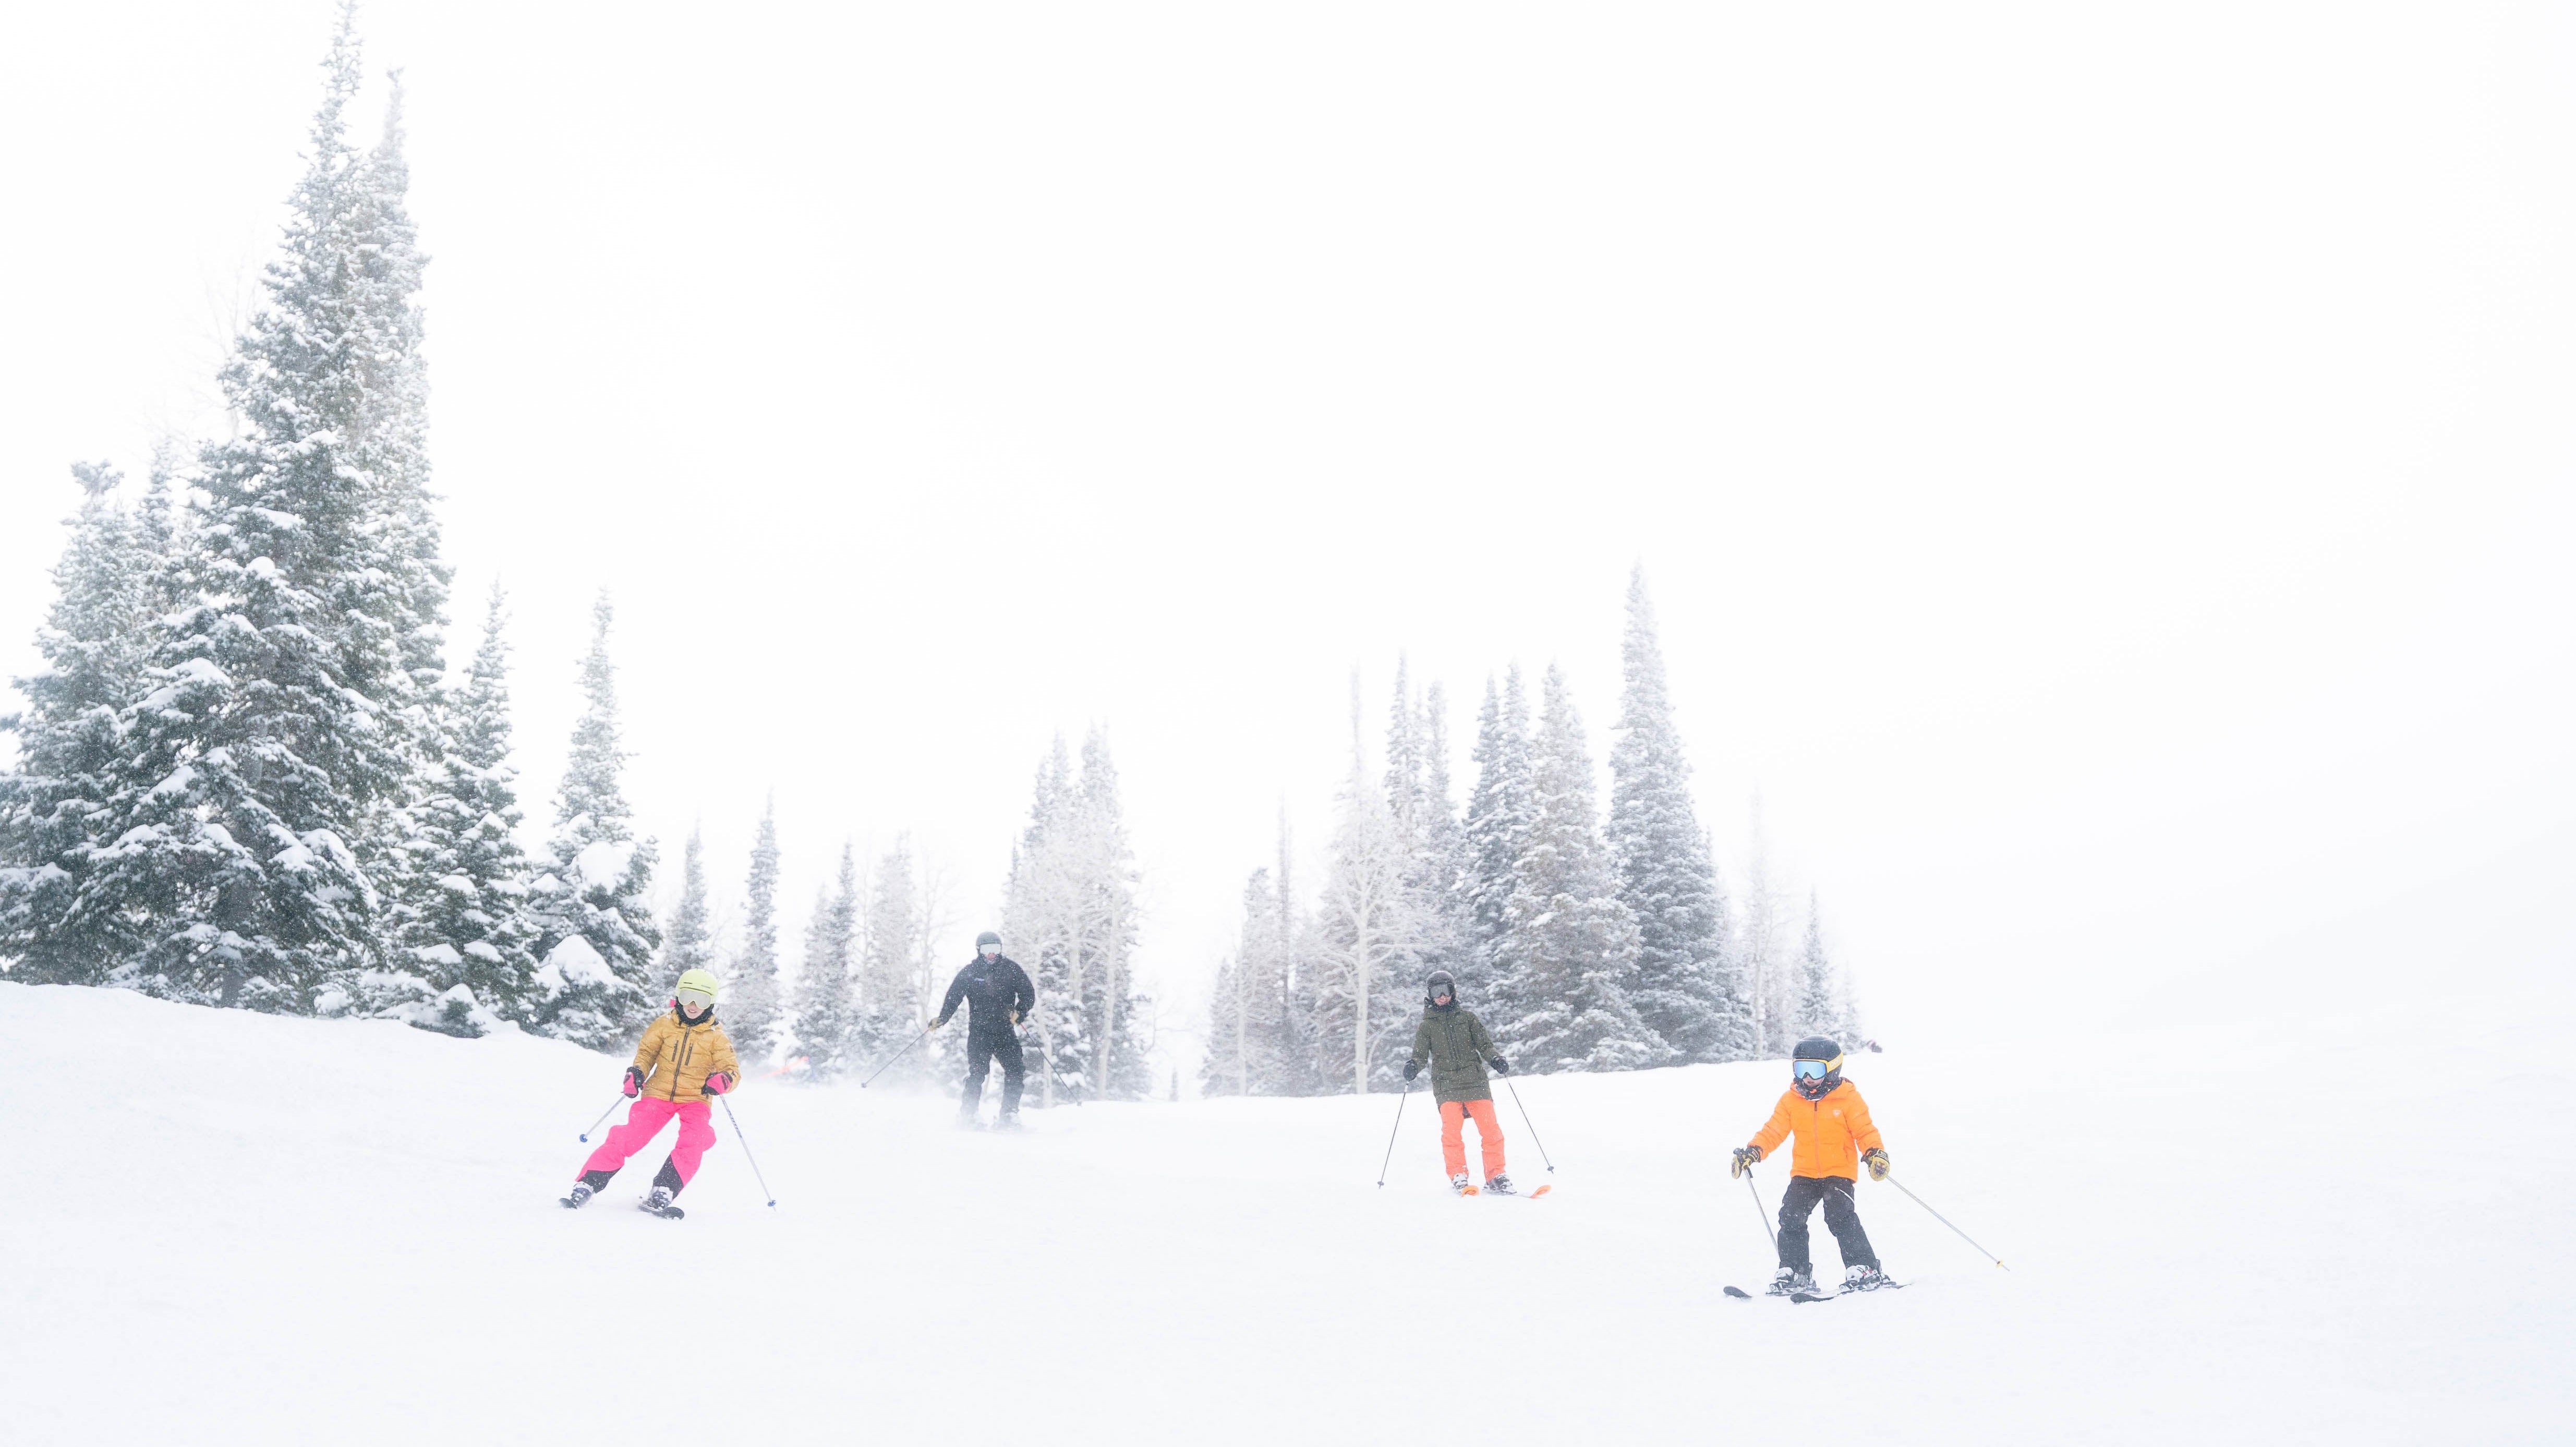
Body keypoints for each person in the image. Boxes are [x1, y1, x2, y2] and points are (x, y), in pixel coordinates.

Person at [562, 968, 743, 1219]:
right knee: (631, 1135)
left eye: (700, 999)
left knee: (696, 1139)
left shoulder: (717, 1038)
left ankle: (664, 1189)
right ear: (678, 996)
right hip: (658, 1093)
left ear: (711, 1003)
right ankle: (588, 1182)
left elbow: (731, 1070)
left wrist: (723, 1080)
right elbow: (646, 1054)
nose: (693, 1005)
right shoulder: (663, 1025)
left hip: (695, 1098)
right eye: (688, 996)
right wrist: (637, 1073)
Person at [1731, 1035, 1893, 1294]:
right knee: (1791, 1217)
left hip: (1838, 1172)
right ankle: (1795, 1271)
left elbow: (1865, 1131)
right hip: (1804, 1173)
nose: (1807, 1077)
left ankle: (1865, 1269)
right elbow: (1773, 1131)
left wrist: (1875, 1154)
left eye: (1815, 1069)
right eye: (1800, 1068)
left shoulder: (1848, 1098)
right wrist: (1753, 1152)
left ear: (1832, 1069)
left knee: (1840, 1217)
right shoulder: (1791, 1100)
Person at [1402, 970, 1517, 1195]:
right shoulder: (1427, 1026)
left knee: (1491, 1131)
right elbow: (1420, 1055)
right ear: (1430, 995)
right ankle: (1459, 1174)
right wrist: (1413, 1066)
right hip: (1447, 1085)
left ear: (1453, 991)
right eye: (1437, 992)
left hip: (1475, 1082)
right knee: (1452, 1134)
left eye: (1447, 990)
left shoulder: (1468, 1018)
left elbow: (1484, 1045)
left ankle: (1496, 1175)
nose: (1442, 996)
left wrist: (1495, 1058)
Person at [933, 931, 1035, 1127]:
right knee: (978, 1074)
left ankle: (1009, 1116)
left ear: (1000, 950)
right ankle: (968, 1115)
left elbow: (1028, 994)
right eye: (987, 949)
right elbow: (954, 997)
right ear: (979, 950)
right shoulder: (970, 972)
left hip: (1005, 1033)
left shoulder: (1011, 970)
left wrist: (1020, 1012)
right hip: (980, 1033)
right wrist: (943, 1018)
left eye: (995, 949)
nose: (991, 954)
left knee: (1016, 1070)